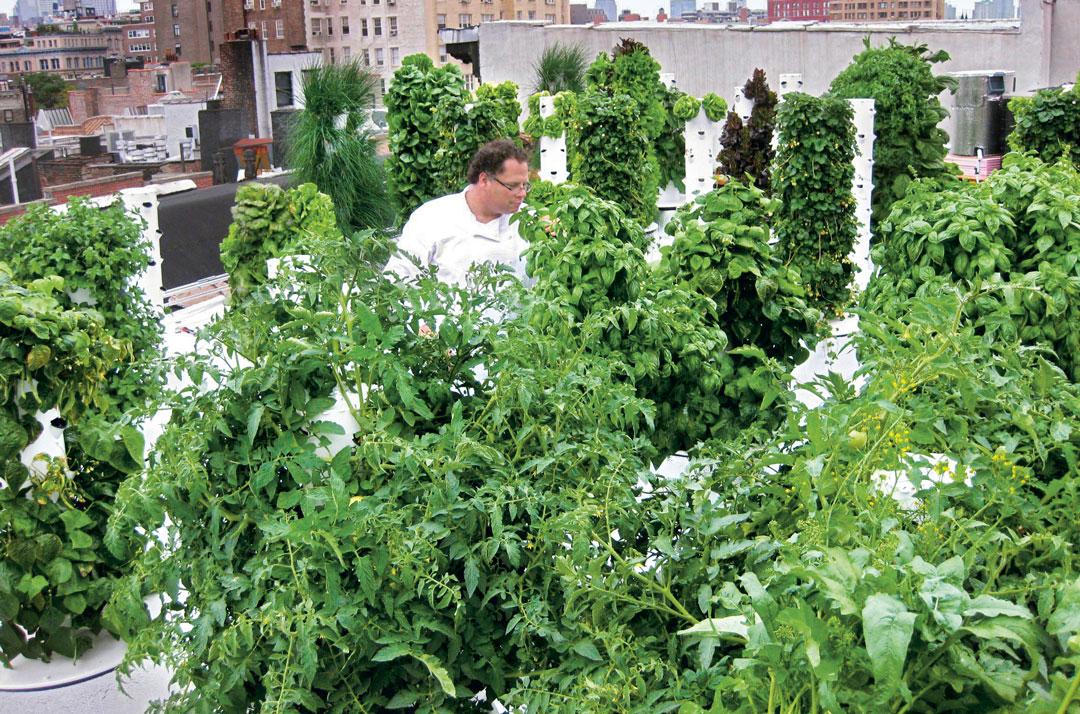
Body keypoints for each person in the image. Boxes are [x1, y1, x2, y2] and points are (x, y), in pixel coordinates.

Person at [384, 139, 533, 287]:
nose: (522, 194)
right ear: (484, 180)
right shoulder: (432, 217)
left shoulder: (530, 220)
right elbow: (399, 278)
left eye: (525, 185)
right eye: (513, 186)